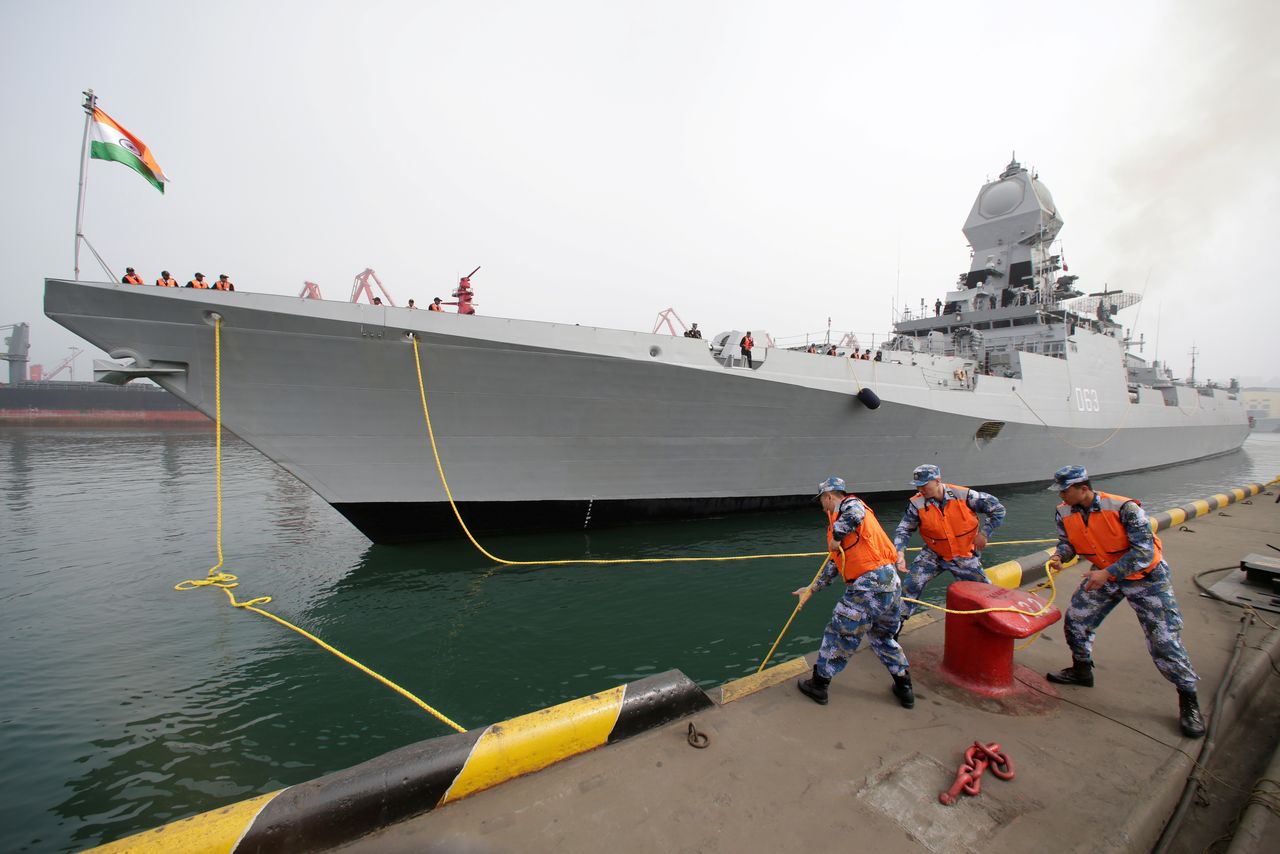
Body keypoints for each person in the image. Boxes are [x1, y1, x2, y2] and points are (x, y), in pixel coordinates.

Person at [1044, 465, 1205, 738]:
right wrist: (1061, 556)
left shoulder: (1124, 509)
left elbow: (1143, 552)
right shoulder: (1064, 511)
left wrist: (1107, 574)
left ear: (1084, 488)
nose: (1061, 495)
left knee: (1163, 641)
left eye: (1065, 490)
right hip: (1105, 574)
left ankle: (1188, 699)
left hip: (1146, 578)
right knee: (1076, 620)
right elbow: (1067, 542)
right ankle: (1082, 670)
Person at [793, 476, 914, 709]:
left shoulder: (850, 506)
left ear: (829, 497)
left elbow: (855, 512)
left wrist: (836, 535)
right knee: (882, 637)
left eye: (822, 501)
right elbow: (834, 564)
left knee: (839, 634)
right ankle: (904, 687)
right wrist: (811, 589)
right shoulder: (848, 525)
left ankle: (819, 685)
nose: (822, 506)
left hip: (868, 587)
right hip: (889, 584)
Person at [892, 465, 1005, 626]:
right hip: (933, 554)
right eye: (918, 485)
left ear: (937, 481)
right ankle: (893, 627)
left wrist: (985, 534)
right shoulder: (917, 504)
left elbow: (998, 510)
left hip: (963, 554)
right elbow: (904, 529)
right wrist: (900, 552)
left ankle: (993, 623)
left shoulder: (965, 496)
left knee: (984, 592)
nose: (920, 489)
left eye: (924, 485)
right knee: (911, 585)